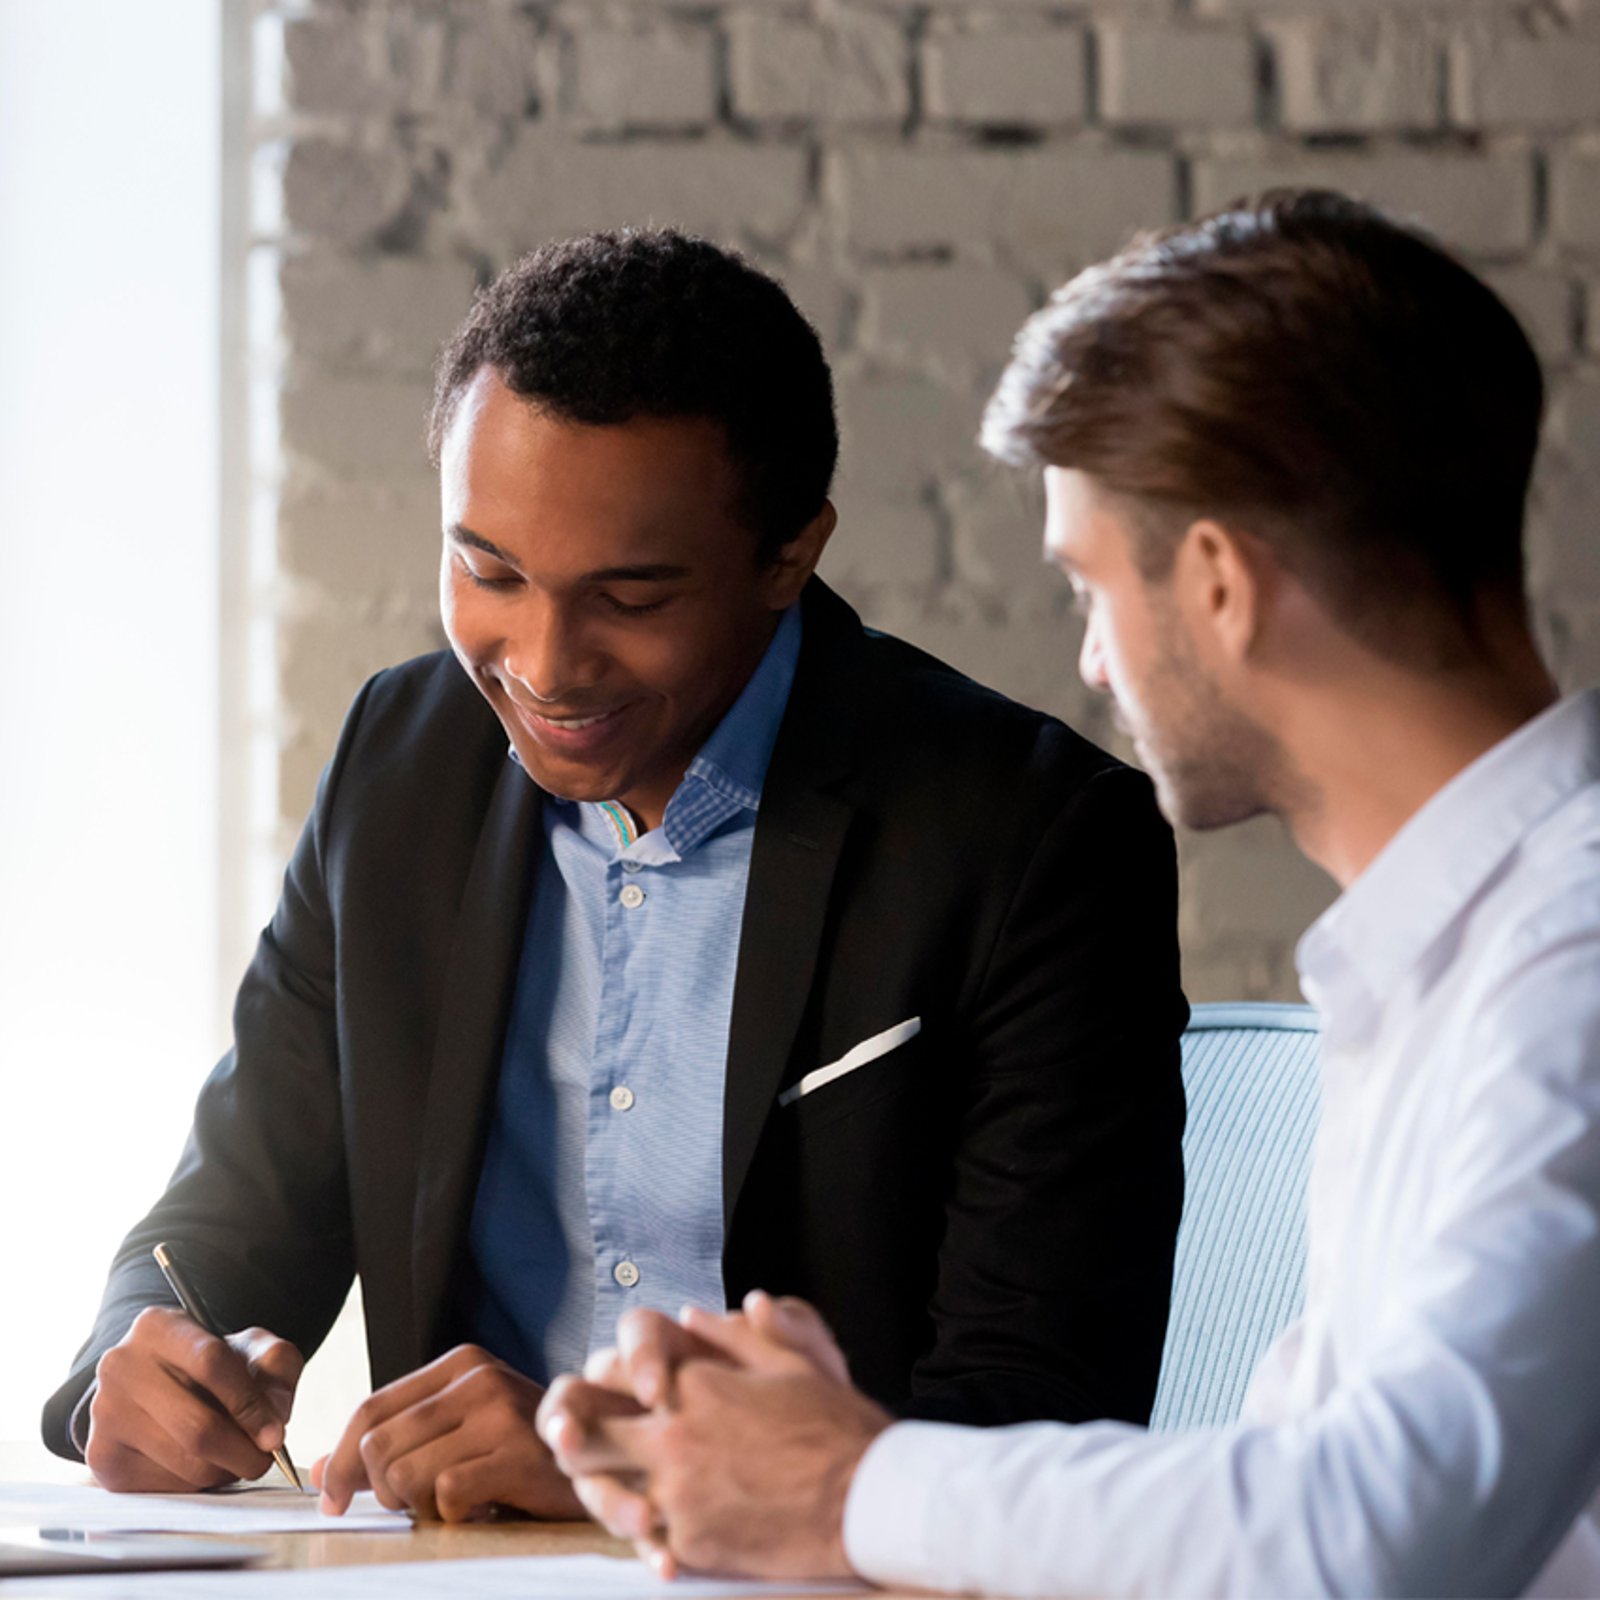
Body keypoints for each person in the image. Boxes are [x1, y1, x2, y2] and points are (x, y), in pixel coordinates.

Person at [540, 191, 1600, 1597]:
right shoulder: (1453, 950)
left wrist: (850, 1482)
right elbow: (1287, 1495)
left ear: (1218, 583)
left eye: (1093, 591)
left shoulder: (1571, 961)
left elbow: (1371, 1533)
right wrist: (837, 1453)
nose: (1094, 667)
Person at [43, 229, 1188, 1523]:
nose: (544, 664)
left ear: (789, 554)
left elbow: (1038, 1421)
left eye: (631, 598)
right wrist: (134, 1368)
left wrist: (619, 1473)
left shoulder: (1030, 842)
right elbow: (233, 1213)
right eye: (488, 572)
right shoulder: (399, 767)